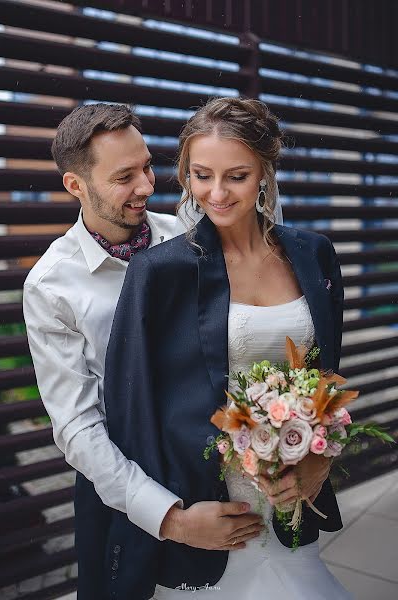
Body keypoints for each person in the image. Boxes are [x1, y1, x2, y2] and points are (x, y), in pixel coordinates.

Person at [23, 102, 283, 599]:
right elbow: (77, 426)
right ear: (76, 186)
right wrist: (170, 519)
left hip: (220, 471)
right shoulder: (52, 286)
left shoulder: (192, 236)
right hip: (123, 494)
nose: (146, 185)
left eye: (146, 166)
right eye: (125, 177)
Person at [102, 97, 351, 599]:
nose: (215, 193)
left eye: (236, 176)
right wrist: (171, 519)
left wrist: (320, 459)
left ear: (265, 171)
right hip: (208, 516)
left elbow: (328, 383)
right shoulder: (160, 272)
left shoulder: (314, 253)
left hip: (291, 503)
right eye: (201, 175)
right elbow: (133, 415)